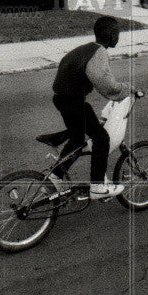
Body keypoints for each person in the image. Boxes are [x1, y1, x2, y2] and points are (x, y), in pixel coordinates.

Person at [51, 15, 132, 199]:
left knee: (77, 140)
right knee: (101, 138)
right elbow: (106, 85)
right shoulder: (99, 52)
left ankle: (55, 177)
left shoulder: (86, 49)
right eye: (117, 33)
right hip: (73, 100)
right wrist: (126, 89)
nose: (118, 37)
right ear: (111, 35)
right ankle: (97, 186)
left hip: (62, 98)